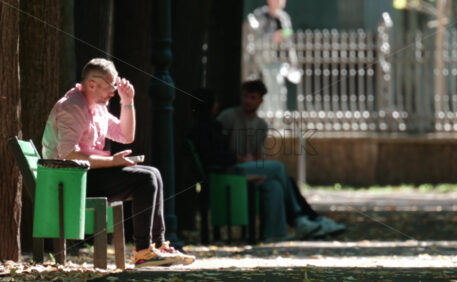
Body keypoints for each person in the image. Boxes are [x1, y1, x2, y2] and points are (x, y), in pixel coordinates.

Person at [41, 58, 195, 268]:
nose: (113, 92)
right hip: (68, 182)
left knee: (153, 173)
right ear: (92, 84)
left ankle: (157, 246)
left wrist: (127, 102)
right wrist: (112, 161)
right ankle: (143, 251)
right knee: (146, 178)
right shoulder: (72, 107)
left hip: (86, 176)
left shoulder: (98, 107)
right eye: (111, 86)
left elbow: (125, 135)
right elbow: (69, 156)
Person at [214, 81, 346, 240]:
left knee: (275, 185)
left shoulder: (261, 125)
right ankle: (300, 218)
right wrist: (239, 158)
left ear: (261, 101)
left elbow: (258, 156)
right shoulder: (228, 117)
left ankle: (274, 234)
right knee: (278, 169)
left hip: (250, 167)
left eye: (252, 97)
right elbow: (218, 150)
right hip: (233, 168)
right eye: (245, 96)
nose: (247, 101)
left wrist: (253, 162)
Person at [242, 0, 302, 120]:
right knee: (268, 87)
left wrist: (293, 63)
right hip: (261, 60)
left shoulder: (284, 17)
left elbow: (289, 42)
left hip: (279, 60)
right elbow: (255, 39)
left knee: (278, 89)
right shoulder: (260, 16)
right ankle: (267, 117)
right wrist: (273, 38)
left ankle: (277, 118)